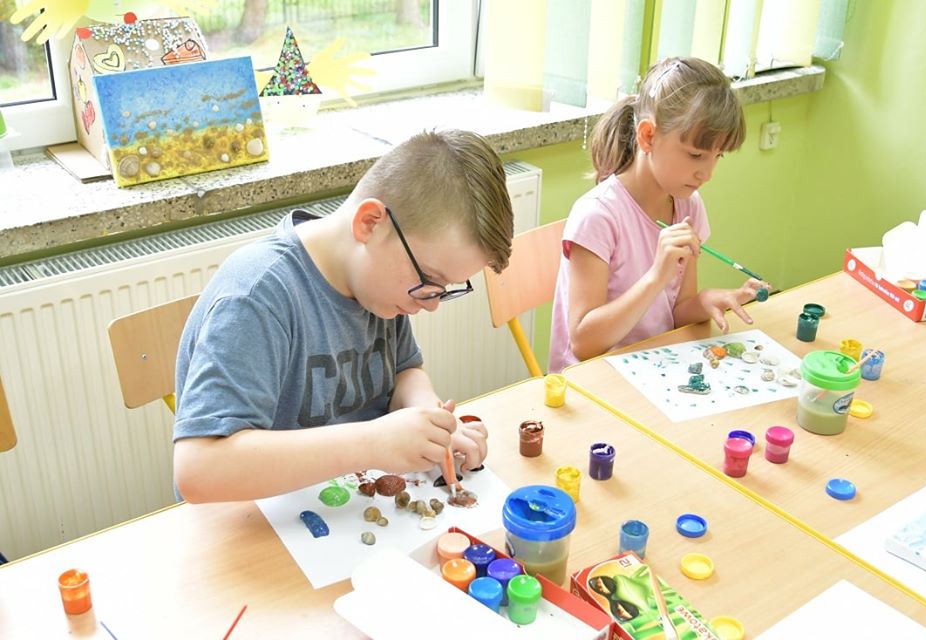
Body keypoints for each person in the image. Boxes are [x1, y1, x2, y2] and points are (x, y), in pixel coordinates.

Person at [173, 130, 514, 503]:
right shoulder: (256, 296)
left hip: (348, 500)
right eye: (429, 279)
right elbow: (198, 470)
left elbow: (404, 371)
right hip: (254, 518)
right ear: (370, 223)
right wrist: (372, 442)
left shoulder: (379, 286)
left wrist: (426, 415)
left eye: (444, 287)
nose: (431, 304)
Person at [549, 57, 767, 373]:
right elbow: (584, 344)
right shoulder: (597, 217)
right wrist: (656, 276)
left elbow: (677, 311)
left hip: (655, 367)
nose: (707, 173)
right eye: (696, 155)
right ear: (648, 136)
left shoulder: (689, 206)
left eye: (717, 156)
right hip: (593, 379)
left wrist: (706, 301)